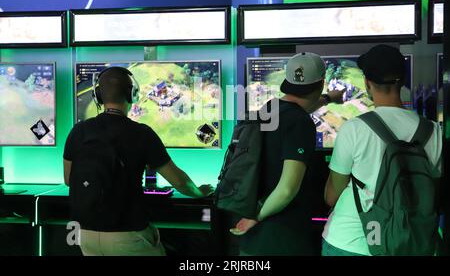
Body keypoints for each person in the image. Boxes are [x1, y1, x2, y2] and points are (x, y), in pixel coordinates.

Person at [63, 67, 214, 256]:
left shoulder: (78, 131)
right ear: (132, 94)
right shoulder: (142, 133)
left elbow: (69, 180)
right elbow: (179, 181)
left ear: (98, 96)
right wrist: (200, 192)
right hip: (127, 233)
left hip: (85, 234)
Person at [322, 45, 442, 256]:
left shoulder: (354, 128)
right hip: (411, 242)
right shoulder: (434, 131)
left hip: (351, 241)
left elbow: (332, 196)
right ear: (403, 81)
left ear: (368, 84)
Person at [230, 52, 344, 255]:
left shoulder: (271, 107)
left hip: (254, 240)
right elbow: (287, 190)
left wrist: (327, 99)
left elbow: (297, 110)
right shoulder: (301, 123)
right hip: (282, 239)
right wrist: (254, 217)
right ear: (321, 83)